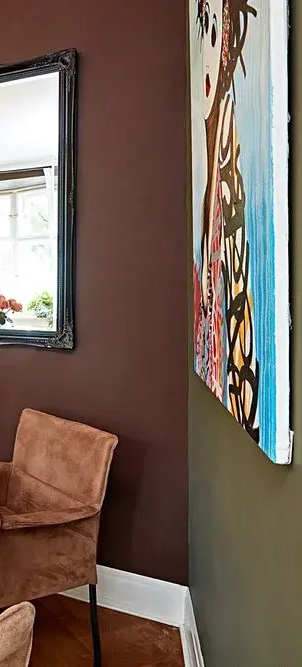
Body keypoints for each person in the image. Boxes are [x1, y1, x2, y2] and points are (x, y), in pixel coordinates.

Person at [191, 0, 260, 439]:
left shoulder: (228, 164)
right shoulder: (209, 166)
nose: (206, 58)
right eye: (205, 28)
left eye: (217, 32)